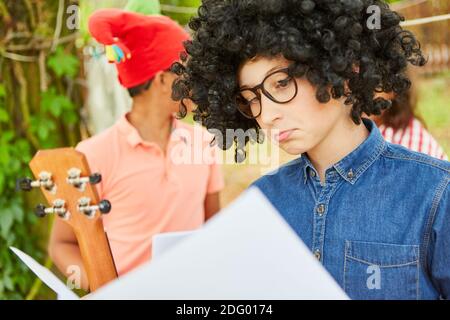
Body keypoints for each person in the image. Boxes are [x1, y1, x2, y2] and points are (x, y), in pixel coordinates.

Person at [172, 0, 450, 299]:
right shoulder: (260, 202)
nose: (266, 115)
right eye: (251, 98)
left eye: (281, 83)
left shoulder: (435, 194)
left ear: (342, 69)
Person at [49, 9, 224, 291]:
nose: (199, 84)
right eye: (191, 72)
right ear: (163, 79)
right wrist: (105, 288)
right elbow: (62, 244)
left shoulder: (204, 144)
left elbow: (214, 229)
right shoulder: (92, 155)